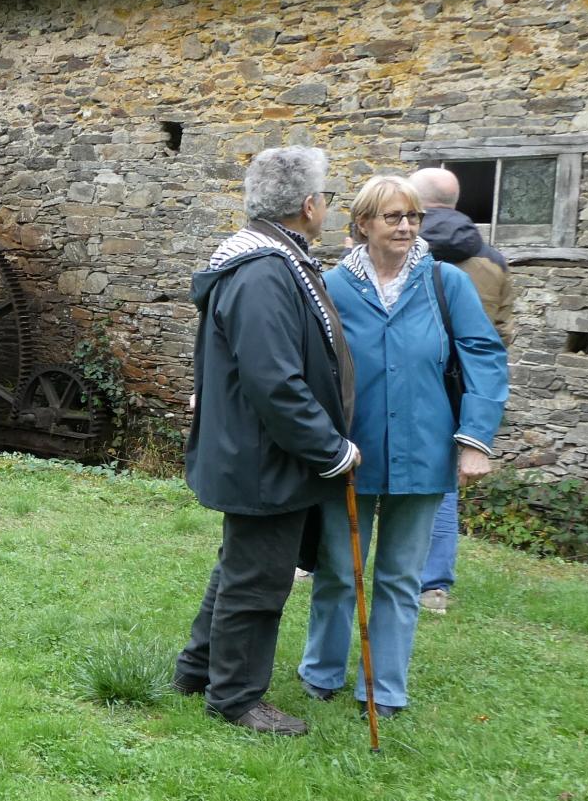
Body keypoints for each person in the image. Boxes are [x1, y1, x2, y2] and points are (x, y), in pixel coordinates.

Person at [299, 175, 509, 717]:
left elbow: (485, 356)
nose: (406, 226)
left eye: (412, 216)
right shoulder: (331, 287)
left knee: (399, 577)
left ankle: (383, 688)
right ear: (363, 224)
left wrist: (476, 441)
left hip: (423, 450)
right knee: (339, 570)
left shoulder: (445, 283)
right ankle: (321, 671)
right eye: (393, 217)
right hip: (350, 451)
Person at [175, 146, 361, 738]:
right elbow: (273, 381)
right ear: (308, 205)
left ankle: (197, 672)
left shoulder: (275, 261)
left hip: (259, 452)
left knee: (242, 567)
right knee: (258, 581)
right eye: (326, 197)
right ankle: (235, 699)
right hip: (264, 456)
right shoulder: (264, 271)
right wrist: (329, 449)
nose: (327, 206)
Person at [411, 166, 516, 614]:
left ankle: (323, 561)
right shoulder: (491, 260)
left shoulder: (390, 247)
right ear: (456, 201)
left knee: (358, 463)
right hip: (457, 387)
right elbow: (503, 331)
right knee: (441, 483)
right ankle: (432, 587)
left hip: (400, 374)